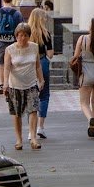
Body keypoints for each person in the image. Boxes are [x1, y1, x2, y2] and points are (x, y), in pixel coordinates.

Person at [1, 22, 45, 150]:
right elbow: (7, 68)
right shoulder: (10, 50)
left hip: (31, 84)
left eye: (25, 35)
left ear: (29, 36)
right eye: (20, 35)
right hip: (15, 85)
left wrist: (41, 80)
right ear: (16, 36)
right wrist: (5, 84)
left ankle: (33, 138)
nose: (23, 38)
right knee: (17, 113)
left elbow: (37, 65)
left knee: (33, 110)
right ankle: (19, 139)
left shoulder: (34, 47)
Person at [27, 8, 53, 139]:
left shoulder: (25, 33)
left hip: (28, 64)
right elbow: (50, 54)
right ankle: (40, 127)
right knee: (44, 95)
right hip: (42, 62)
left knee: (29, 95)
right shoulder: (46, 34)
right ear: (41, 19)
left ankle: (30, 130)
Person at [0, 0, 23, 94]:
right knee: (13, 63)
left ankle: (1, 85)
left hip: (1, 41)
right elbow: (21, 29)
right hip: (13, 42)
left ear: (3, 0)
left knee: (0, 63)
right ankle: (11, 84)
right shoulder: (17, 13)